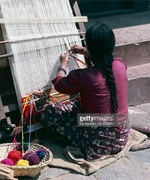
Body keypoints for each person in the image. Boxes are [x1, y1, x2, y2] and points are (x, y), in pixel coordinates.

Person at [42, 22, 130, 160]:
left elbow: (59, 85)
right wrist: (85, 51)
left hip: (96, 145)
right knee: (79, 107)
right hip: (121, 137)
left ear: (90, 48)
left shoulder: (84, 76)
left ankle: (84, 139)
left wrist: (63, 64)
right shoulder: (120, 64)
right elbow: (104, 63)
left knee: (50, 112)